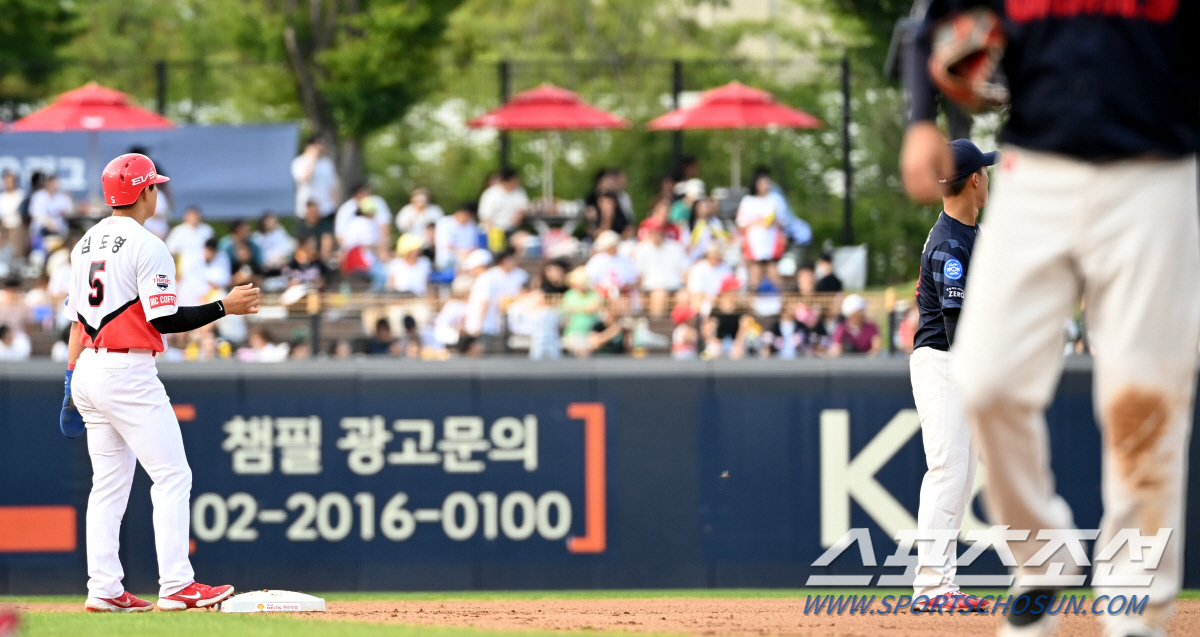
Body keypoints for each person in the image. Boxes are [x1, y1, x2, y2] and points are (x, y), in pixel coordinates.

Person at [902, 4, 1200, 634]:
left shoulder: (968, 237)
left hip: (1155, 163)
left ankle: (1134, 611)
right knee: (987, 382)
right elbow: (931, 19)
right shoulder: (953, 242)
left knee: (1145, 402)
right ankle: (1043, 558)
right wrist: (917, 117)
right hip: (1037, 163)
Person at [63, 153, 257, 612]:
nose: (158, 193)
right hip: (126, 370)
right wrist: (223, 307)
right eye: (155, 186)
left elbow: (75, 324)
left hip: (89, 365)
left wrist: (69, 384)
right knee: (172, 475)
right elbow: (165, 317)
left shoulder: (84, 244)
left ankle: (104, 588)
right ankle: (176, 585)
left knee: (108, 486)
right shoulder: (148, 244)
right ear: (145, 191)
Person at [908, 139, 995, 613]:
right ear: (976, 179)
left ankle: (943, 582)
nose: (989, 178)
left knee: (960, 477)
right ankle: (931, 587)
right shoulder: (951, 243)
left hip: (955, 362)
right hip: (944, 363)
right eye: (986, 171)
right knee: (947, 471)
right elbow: (955, 324)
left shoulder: (965, 233)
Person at [736, 173, 785, 291]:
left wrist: (771, 222)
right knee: (755, 276)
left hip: (771, 245)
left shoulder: (775, 199)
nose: (765, 186)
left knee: (774, 276)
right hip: (754, 246)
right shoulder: (748, 201)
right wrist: (758, 222)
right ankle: (753, 307)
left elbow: (783, 221)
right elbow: (740, 224)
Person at [634, 217, 688, 318]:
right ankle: (657, 327)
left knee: (684, 297)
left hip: (675, 286)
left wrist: (687, 287)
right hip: (652, 288)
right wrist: (640, 294)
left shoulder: (676, 247)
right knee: (659, 295)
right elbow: (639, 275)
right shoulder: (641, 249)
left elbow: (685, 271)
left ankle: (683, 328)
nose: (656, 235)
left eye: (658, 231)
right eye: (653, 232)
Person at [291, 134, 340, 227]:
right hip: (306, 210)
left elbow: (332, 186)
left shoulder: (327, 164)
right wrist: (312, 158)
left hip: (326, 209)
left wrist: (334, 205)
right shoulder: (299, 162)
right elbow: (305, 178)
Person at [477, 168, 529, 235]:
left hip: (511, 230)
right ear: (510, 180)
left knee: (527, 239)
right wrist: (494, 233)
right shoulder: (491, 193)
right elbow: (485, 218)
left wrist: (520, 213)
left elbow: (524, 207)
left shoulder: (519, 191)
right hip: (490, 231)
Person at [29, 174, 73, 246]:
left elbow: (70, 211)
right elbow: (36, 214)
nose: (55, 186)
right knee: (38, 255)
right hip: (41, 233)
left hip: (59, 233)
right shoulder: (38, 196)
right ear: (47, 183)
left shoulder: (62, 197)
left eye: (56, 184)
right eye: (53, 183)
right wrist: (49, 222)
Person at [434, 203, 480, 272]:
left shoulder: (471, 225)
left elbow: (473, 245)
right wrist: (462, 252)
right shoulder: (444, 222)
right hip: (449, 256)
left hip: (467, 255)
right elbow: (446, 245)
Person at [0, 170, 26, 258]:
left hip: (17, 229)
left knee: (17, 253)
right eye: (7, 181)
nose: (9, 183)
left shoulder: (21, 195)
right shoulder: (2, 197)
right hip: (4, 230)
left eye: (11, 181)